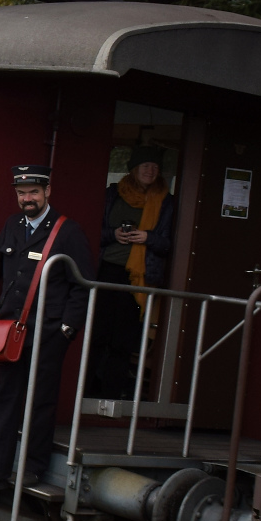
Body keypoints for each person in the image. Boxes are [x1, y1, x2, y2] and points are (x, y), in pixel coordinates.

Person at [0, 165, 94, 494]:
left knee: (40, 401)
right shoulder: (13, 225)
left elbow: (83, 285)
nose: (28, 199)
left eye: (34, 193)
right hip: (12, 329)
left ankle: (33, 469)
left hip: (49, 330)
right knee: (4, 399)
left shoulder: (67, 231)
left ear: (47, 192)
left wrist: (67, 328)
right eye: (22, 193)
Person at [86, 148, 176, 399]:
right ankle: (85, 393)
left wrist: (149, 237)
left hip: (139, 275)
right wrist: (113, 234)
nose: (150, 170)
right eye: (145, 165)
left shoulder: (166, 201)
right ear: (133, 168)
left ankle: (112, 396)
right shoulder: (113, 194)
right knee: (97, 333)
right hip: (106, 271)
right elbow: (93, 230)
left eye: (155, 167)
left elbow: (169, 244)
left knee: (124, 338)